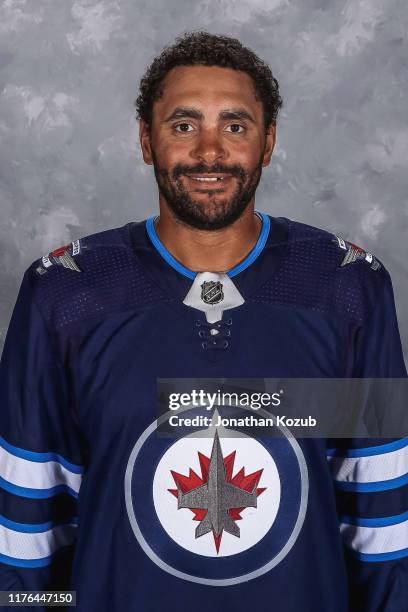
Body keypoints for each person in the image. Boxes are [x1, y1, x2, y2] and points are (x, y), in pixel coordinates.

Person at [0, 31, 406, 612]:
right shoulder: (67, 296)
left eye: (236, 126)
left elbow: (384, 527)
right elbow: (24, 542)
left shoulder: (346, 289)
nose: (210, 152)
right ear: (146, 139)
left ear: (267, 143)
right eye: (184, 125)